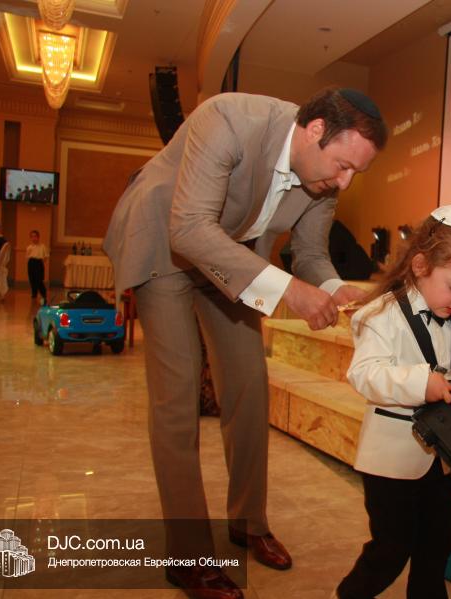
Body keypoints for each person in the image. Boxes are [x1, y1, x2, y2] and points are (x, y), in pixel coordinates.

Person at [103, 88, 387, 599]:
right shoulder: (229, 120)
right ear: (316, 130)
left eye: (355, 173)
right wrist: (287, 290)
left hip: (230, 258)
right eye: (343, 166)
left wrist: (332, 287)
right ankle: (187, 557)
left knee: (249, 387)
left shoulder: (325, 176)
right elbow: (189, 228)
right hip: (163, 242)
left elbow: (310, 253)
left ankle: (248, 521)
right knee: (177, 398)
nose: (344, 182)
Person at [335, 205, 451, 599]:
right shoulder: (381, 314)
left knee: (438, 543)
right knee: (390, 549)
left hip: (440, 459)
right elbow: (365, 374)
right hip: (391, 461)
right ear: (421, 265)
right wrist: (419, 382)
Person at [25, 230, 49, 305]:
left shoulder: (43, 246)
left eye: (35, 236)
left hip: (38, 263)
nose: (34, 238)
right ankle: (34, 294)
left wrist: (41, 262)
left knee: (39, 280)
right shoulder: (29, 247)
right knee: (32, 279)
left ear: (38, 237)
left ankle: (43, 294)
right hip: (31, 263)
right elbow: (27, 256)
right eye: (32, 237)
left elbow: (46, 256)